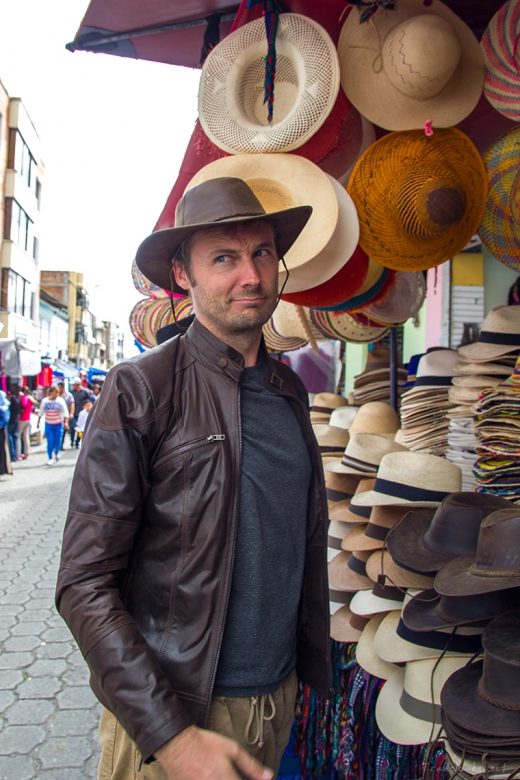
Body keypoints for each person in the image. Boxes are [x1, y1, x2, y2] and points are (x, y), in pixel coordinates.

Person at [56, 177, 331, 780]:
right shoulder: (141, 389)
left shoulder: (289, 394)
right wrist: (175, 740)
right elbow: (82, 584)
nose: (251, 277)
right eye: (224, 259)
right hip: (177, 717)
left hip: (276, 702)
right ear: (184, 275)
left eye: (261, 252)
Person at [38, 385, 69, 465]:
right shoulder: (45, 401)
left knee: (57, 440)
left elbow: (65, 412)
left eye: (58, 392)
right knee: (50, 441)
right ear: (51, 392)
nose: (57, 394)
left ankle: (57, 452)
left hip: (58, 424)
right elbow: (41, 411)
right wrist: (38, 422)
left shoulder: (60, 401)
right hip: (49, 424)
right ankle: (50, 457)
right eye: (55, 392)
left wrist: (66, 422)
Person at [69, 377, 90, 449]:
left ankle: (78, 442)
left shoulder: (85, 392)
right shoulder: (71, 393)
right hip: (74, 414)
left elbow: (89, 401)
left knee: (81, 429)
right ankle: (72, 441)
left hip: (83, 414)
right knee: (73, 428)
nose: (73, 386)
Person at [18, 386, 36, 459]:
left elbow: (23, 406)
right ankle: (26, 452)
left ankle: (18, 453)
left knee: (18, 437)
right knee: (26, 437)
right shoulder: (30, 399)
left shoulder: (23, 398)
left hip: (22, 419)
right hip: (28, 419)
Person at [57, 381, 74, 450]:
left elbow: (72, 404)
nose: (59, 389)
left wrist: (71, 413)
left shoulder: (68, 395)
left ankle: (61, 445)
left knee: (63, 431)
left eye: (60, 387)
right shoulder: (56, 395)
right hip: (57, 416)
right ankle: (57, 445)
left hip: (65, 416)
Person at [7, 388, 21, 462]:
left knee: (10, 438)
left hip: (11, 421)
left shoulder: (11, 400)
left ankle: (12, 455)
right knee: (15, 438)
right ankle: (15, 455)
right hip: (16, 420)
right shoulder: (18, 399)